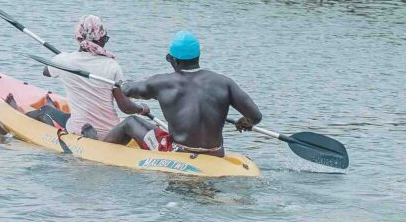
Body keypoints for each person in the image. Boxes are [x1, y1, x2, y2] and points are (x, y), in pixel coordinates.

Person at [122, 31, 261, 152]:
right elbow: (255, 116)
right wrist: (244, 122)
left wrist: (123, 83)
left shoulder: (162, 83)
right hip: (215, 152)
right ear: (197, 57)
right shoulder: (224, 82)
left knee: (131, 122)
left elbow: (128, 90)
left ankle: (102, 150)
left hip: (179, 151)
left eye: (169, 58)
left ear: (174, 60)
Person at [44, 15, 161, 148]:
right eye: (106, 38)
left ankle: (37, 110)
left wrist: (60, 59)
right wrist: (141, 109)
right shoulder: (112, 66)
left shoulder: (64, 61)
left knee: (45, 110)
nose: (106, 40)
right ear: (101, 40)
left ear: (79, 38)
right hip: (111, 132)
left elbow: (46, 72)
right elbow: (125, 107)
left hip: (77, 129)